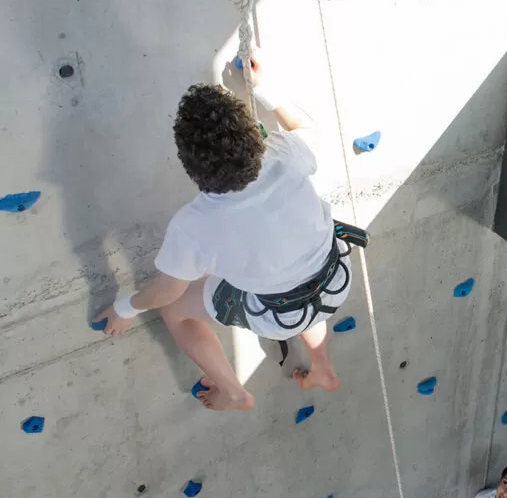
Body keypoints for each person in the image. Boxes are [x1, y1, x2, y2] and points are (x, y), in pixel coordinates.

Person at [93, 56, 352, 410]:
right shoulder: (285, 153)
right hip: (335, 281)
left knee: (174, 311)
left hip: (277, 315)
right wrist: (262, 89)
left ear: (190, 165)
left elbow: (165, 292)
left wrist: (125, 307)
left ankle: (235, 393)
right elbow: (307, 128)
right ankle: (322, 366)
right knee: (300, 291)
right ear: (253, 134)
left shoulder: (193, 225)